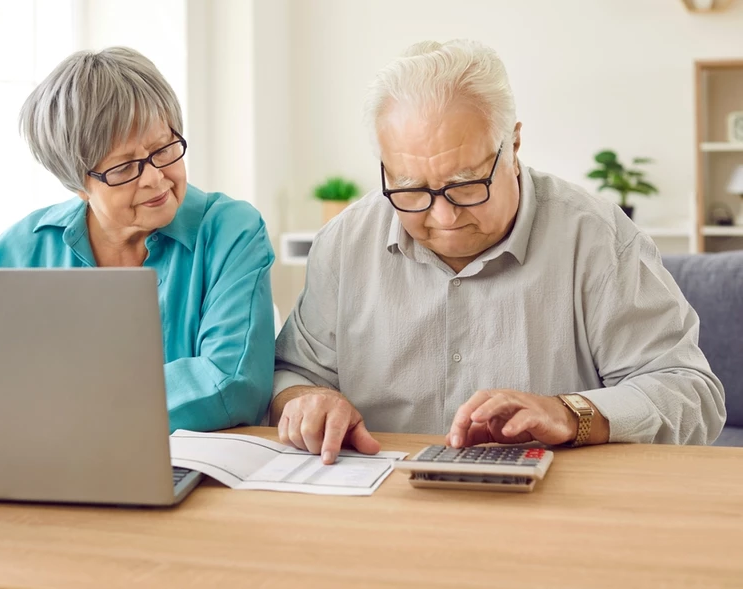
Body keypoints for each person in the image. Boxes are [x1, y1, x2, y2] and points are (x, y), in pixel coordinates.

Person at [272, 39, 726, 464]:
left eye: (467, 184)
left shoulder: (599, 239)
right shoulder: (345, 242)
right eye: (411, 189)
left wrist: (571, 414)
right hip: (383, 503)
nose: (444, 218)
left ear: (514, 146)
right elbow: (291, 373)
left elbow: (691, 394)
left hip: (552, 514)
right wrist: (305, 401)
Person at [0, 47, 275, 432]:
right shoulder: (25, 247)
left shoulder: (231, 231)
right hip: (37, 461)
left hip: (185, 468)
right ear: (76, 182)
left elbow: (232, 384)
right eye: (125, 167)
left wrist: (62, 408)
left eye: (163, 149)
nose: (154, 177)